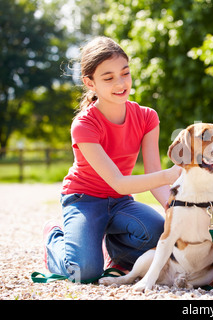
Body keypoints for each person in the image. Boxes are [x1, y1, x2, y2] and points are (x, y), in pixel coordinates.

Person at [43, 37, 181, 283]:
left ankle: (115, 254)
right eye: (108, 78)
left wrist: (175, 207)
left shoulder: (148, 117)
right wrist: (171, 175)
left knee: (159, 233)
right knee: (84, 273)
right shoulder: (84, 124)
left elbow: (154, 179)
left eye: (125, 74)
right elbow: (118, 181)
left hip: (120, 202)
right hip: (84, 200)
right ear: (90, 82)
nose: (120, 83)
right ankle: (54, 238)